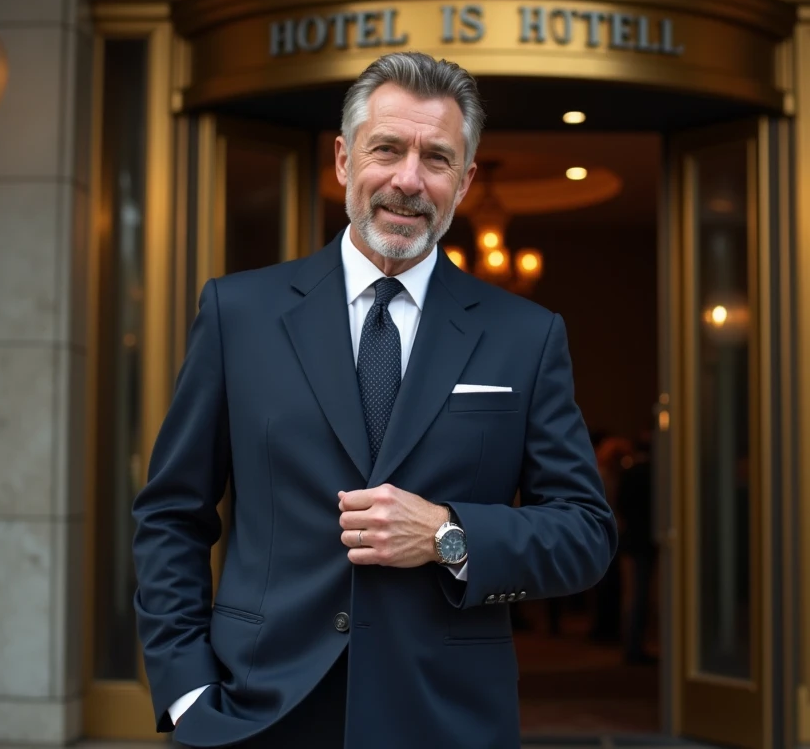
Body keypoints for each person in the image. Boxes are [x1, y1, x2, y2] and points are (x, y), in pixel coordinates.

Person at [130, 50, 618, 749]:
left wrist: (449, 536)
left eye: (437, 158)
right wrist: (185, 691)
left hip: (447, 720)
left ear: (466, 180)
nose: (408, 180)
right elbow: (172, 513)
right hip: (256, 714)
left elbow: (585, 535)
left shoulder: (526, 336)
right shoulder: (239, 313)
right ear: (342, 160)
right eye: (386, 149)